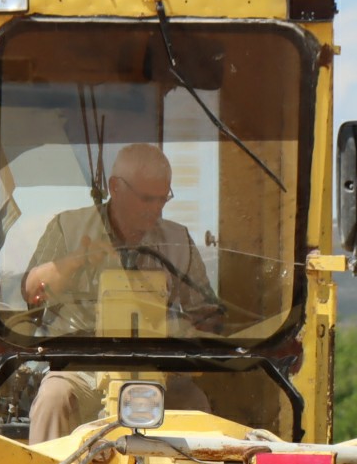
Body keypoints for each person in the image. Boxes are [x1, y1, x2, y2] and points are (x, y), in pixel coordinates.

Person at [19, 142, 220, 442]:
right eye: (146, 199)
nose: (156, 209)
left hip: (157, 369)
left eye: (163, 199)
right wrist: (77, 260)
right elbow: (31, 290)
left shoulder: (178, 240)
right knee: (53, 397)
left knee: (195, 405)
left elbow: (207, 315)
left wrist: (189, 329)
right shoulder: (68, 228)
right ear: (115, 187)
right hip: (82, 366)